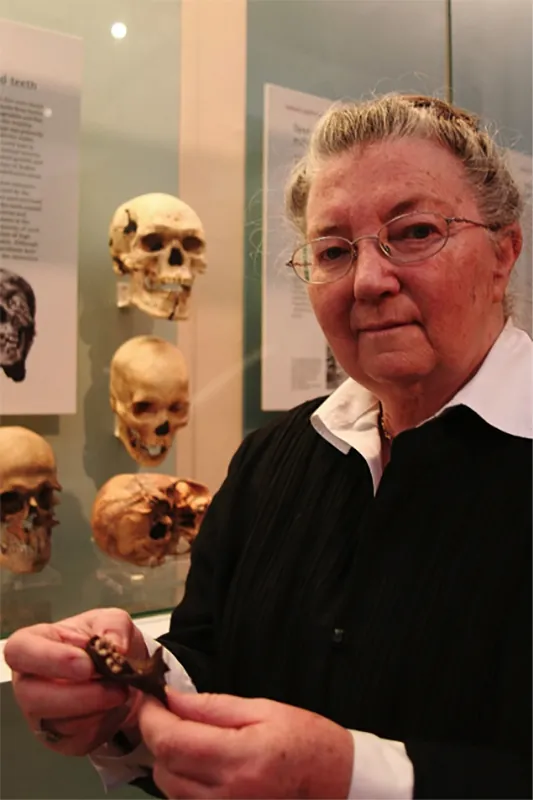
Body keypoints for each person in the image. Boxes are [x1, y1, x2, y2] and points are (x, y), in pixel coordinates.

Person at [4, 93, 532, 800]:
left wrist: (348, 779)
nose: (369, 281)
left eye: (413, 232)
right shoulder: (273, 458)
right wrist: (130, 690)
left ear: (502, 254)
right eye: (333, 250)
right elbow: (210, 652)